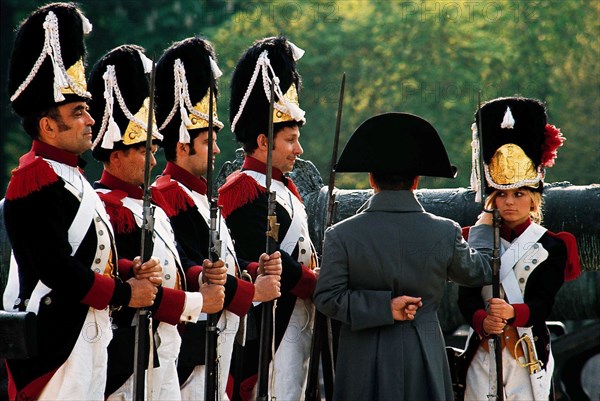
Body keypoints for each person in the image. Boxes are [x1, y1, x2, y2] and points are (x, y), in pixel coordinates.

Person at [2, 4, 158, 400]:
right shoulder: (32, 180)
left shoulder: (70, 176)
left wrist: (125, 267)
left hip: (87, 333)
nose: (91, 120)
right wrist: (125, 293)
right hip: (54, 341)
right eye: (78, 112)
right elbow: (55, 267)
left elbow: (84, 253)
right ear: (48, 125)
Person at [313, 112, 495, 401]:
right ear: (416, 182)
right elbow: (481, 271)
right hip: (421, 353)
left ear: (372, 180)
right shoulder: (445, 232)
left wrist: (384, 307)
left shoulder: (340, 234)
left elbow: (326, 299)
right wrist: (484, 228)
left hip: (361, 358)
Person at [86, 44, 226, 400]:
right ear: (116, 154)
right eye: (144, 150)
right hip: (125, 357)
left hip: (164, 350)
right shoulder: (107, 206)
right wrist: (196, 301)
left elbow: (172, 271)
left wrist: (200, 275)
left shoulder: (151, 206)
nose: (152, 160)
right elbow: (125, 283)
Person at [152, 36, 283, 399]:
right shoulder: (168, 195)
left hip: (221, 338)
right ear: (181, 146)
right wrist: (251, 290)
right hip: (192, 343)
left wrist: (252, 269)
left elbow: (220, 262)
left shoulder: (198, 195)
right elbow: (189, 267)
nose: (218, 150)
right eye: (208, 142)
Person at [458, 97, 581, 401]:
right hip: (482, 353)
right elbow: (467, 297)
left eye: (519, 193)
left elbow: (544, 304)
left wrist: (513, 312)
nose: (510, 201)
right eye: (502, 194)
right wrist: (482, 320)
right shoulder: (474, 238)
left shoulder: (553, 245)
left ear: (533, 198)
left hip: (528, 353)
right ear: (493, 200)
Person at [218, 36, 318, 401]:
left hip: (296, 320)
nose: (299, 149)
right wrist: (316, 284)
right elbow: (270, 262)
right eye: (290, 139)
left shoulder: (280, 187)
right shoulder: (242, 190)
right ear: (264, 141)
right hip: (270, 326)